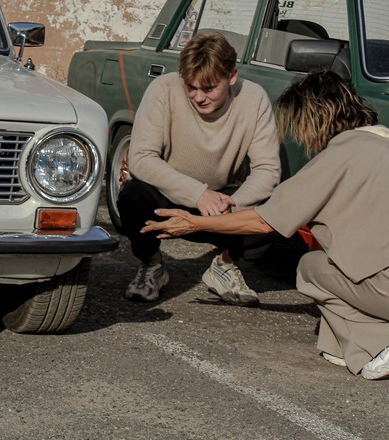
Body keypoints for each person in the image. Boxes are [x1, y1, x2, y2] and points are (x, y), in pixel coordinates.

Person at [142, 70, 389, 380]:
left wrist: (194, 222)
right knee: (338, 283)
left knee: (311, 267)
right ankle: (352, 348)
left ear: (313, 119)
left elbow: (265, 220)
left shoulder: (343, 153)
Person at [118, 31, 282, 306]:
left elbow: (268, 169)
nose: (198, 97)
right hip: (169, 196)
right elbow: (142, 158)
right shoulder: (163, 89)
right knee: (132, 196)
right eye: (191, 87)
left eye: (209, 88)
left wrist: (232, 203)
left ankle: (224, 265)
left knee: (278, 208)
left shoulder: (254, 98)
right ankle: (152, 264)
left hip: (223, 202)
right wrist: (198, 194)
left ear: (232, 77)